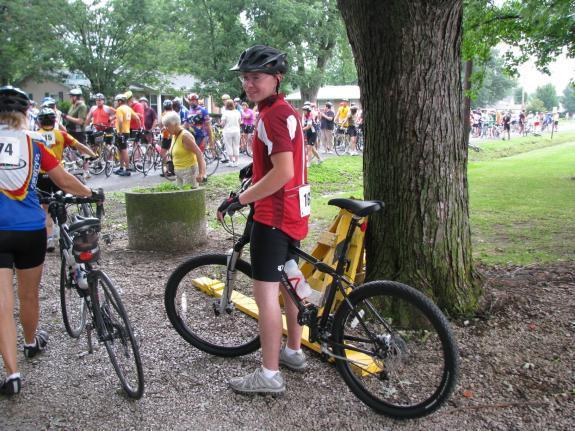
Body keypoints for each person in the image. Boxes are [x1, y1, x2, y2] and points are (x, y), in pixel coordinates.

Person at [218, 45, 309, 395]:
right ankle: (293, 352)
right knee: (290, 282)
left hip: (273, 216)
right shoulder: (285, 111)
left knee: (266, 294)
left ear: (277, 78)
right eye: (245, 78)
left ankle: (270, 375)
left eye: (256, 77)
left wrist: (241, 198)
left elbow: (283, 170)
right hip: (294, 211)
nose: (249, 84)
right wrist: (255, 170)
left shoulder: (271, 116)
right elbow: (281, 161)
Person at [0, 86, 97, 396]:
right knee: (29, 295)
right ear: (25, 113)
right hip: (31, 229)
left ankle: (12, 375)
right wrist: (89, 193)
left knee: (3, 306)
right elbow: (64, 180)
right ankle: (30, 342)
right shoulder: (34, 143)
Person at [36, 107, 97, 250]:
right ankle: (63, 235)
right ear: (54, 120)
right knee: (61, 203)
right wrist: (93, 154)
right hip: (58, 173)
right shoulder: (61, 134)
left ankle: (49, 239)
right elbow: (79, 145)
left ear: (39, 122)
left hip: (41, 175)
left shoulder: (35, 135)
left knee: (45, 208)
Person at [162, 111, 206, 187]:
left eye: (167, 126)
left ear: (175, 124)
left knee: (189, 197)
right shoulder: (174, 135)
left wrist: (201, 173)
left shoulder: (185, 136)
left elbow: (199, 153)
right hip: (179, 172)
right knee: (180, 196)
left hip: (188, 172)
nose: (166, 128)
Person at [113, 93, 141, 176]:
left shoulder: (119, 109)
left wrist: (120, 132)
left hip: (121, 132)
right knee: (120, 150)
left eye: (116, 101)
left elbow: (120, 121)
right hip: (127, 132)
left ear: (119, 101)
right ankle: (121, 167)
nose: (115, 103)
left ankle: (127, 168)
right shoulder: (128, 109)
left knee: (123, 150)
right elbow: (137, 118)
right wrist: (139, 128)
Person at [220, 99, 242, 167]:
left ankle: (231, 161)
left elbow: (222, 124)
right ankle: (237, 161)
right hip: (236, 131)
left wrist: (220, 124)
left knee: (229, 146)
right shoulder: (237, 112)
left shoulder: (225, 113)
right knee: (236, 146)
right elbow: (239, 122)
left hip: (227, 131)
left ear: (226, 105)